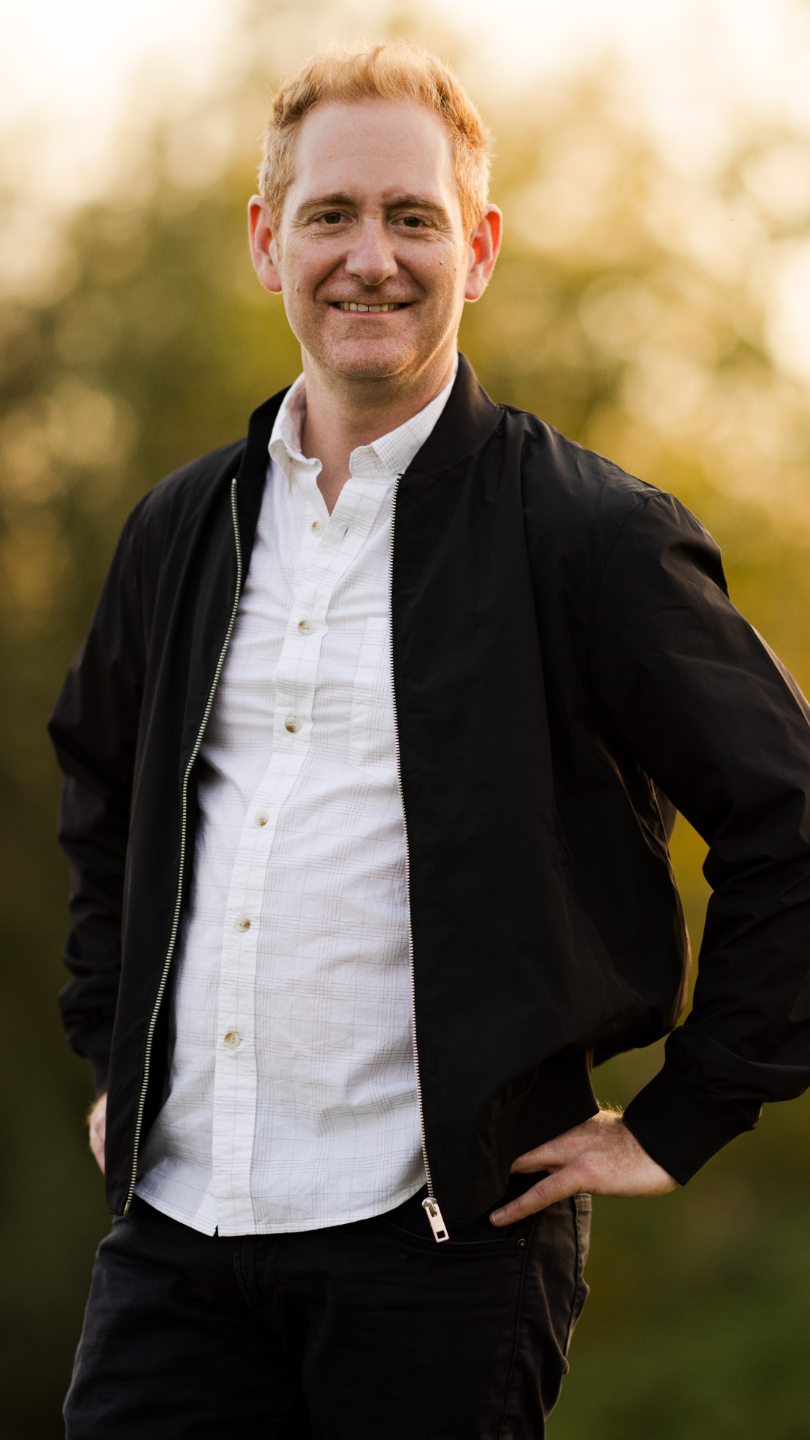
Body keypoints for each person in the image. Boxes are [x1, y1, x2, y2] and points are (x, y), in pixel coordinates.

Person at [51, 38, 810, 1440]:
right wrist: (113, 1049)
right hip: (174, 1238)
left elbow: (791, 817)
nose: (371, 259)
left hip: (443, 1257)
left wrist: (686, 1116)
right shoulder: (182, 527)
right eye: (331, 216)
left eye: (413, 218)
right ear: (268, 243)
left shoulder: (588, 535)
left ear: (481, 248)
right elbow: (101, 790)